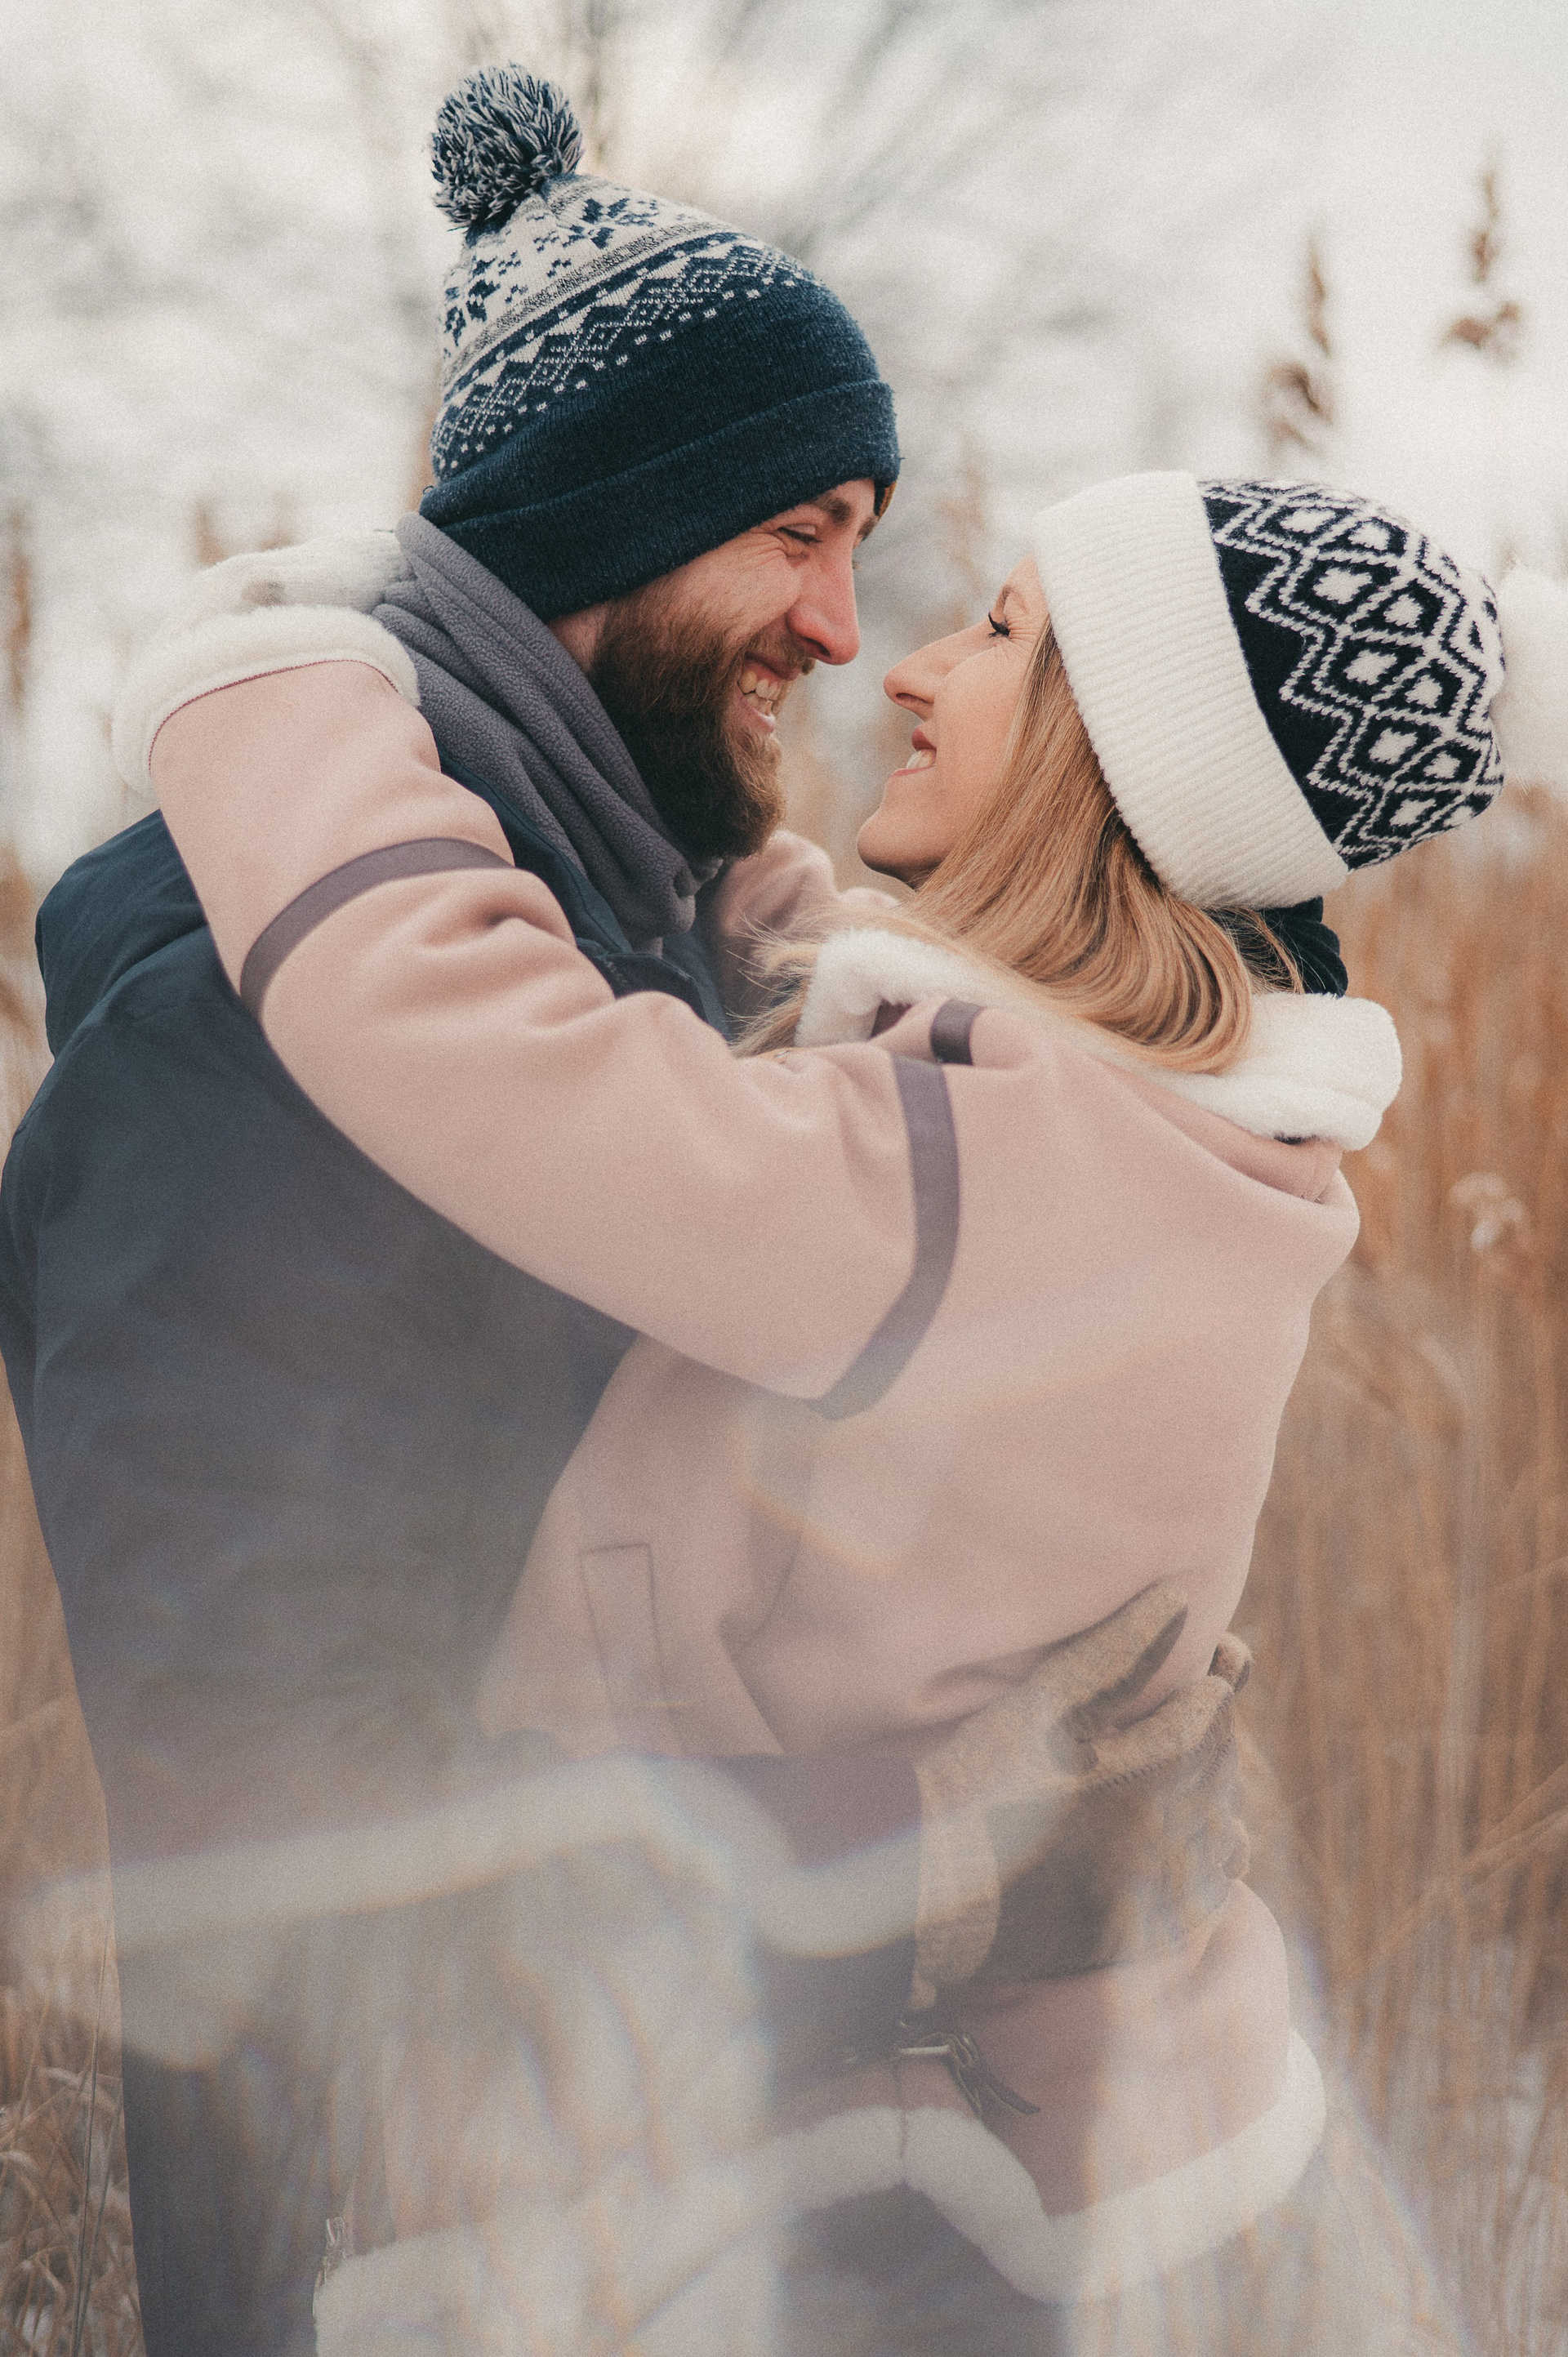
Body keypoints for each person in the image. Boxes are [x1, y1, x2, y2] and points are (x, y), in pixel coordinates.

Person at [0, 69, 1245, 2357]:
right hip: (422, 2260)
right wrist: (953, 1837)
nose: (846, 629)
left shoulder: (619, 977)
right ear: (615, 524)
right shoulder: (240, 1046)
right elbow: (296, 1850)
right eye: (800, 532)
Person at [139, 461, 1562, 2350]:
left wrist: (279, 676)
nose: (911, 664)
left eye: (1004, 633)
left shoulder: (967, 1187)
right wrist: (719, 842)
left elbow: (464, 1042)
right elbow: (908, 1067)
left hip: (877, 2194)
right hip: (1091, 2124)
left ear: (1111, 763)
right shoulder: (1191, 1144)